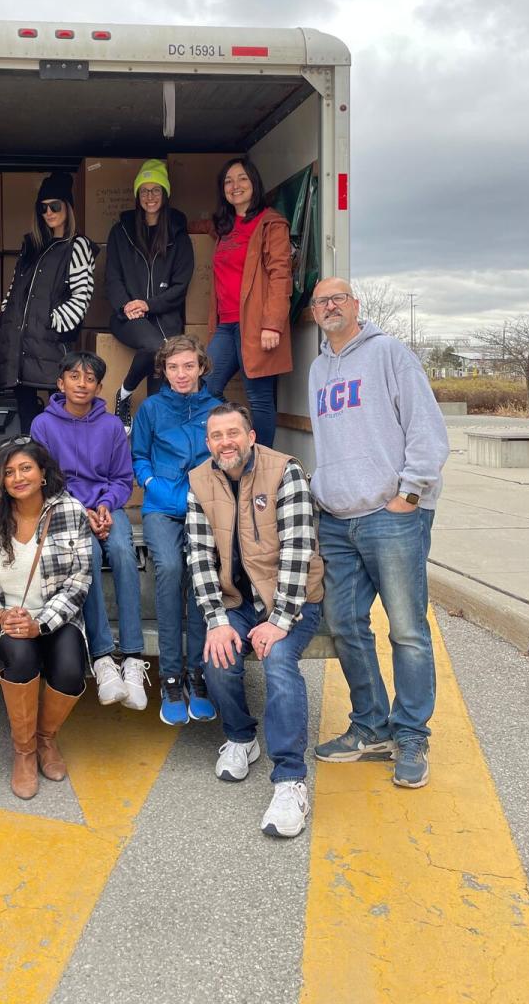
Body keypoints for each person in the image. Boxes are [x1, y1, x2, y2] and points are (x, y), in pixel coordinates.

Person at [308, 278, 449, 789]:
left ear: (354, 305)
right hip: (338, 517)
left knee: (407, 629)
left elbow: (426, 427)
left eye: (337, 299)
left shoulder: (389, 352)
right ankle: (371, 725)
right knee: (344, 622)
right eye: (321, 302)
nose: (329, 306)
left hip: (391, 515)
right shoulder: (319, 368)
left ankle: (411, 734)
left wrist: (409, 493)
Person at [185, 404, 324, 838]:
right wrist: (216, 619)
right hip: (238, 601)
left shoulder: (285, 472)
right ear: (208, 443)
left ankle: (289, 780)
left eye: (233, 433)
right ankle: (242, 737)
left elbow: (298, 553)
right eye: (216, 436)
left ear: (249, 436)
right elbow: (200, 557)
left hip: (292, 599)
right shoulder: (198, 480)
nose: (225, 442)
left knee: (278, 660)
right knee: (218, 655)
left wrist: (280, 620)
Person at [0, 439, 91, 800]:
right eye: (8, 471)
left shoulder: (71, 511)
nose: (17, 477)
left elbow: (80, 580)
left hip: (55, 616)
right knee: (23, 659)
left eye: (26, 468)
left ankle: (46, 739)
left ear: (43, 473)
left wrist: (41, 623)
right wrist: (0, 614)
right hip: (4, 617)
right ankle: (25, 751)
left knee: (69, 669)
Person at [31, 351, 149, 709]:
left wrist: (104, 505)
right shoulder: (43, 425)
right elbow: (44, 480)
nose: (82, 384)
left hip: (106, 509)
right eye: (74, 376)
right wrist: (79, 510)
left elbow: (122, 478)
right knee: (90, 557)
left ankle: (131, 657)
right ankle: (101, 659)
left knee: (125, 554)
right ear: (60, 382)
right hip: (65, 509)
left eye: (90, 379)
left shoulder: (111, 426)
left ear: (99, 386)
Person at [131, 334, 222, 726]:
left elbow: (227, 456)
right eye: (173, 367)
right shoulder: (151, 408)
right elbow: (138, 456)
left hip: (205, 508)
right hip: (161, 506)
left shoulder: (216, 409)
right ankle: (170, 677)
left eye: (188, 366)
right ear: (163, 371)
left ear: (201, 367)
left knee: (201, 578)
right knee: (169, 568)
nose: (181, 374)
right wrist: (153, 485)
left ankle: (197, 675)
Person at [192, 156, 293, 451]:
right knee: (205, 386)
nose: (235, 186)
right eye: (228, 181)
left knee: (259, 397)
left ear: (254, 183)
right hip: (225, 324)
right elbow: (196, 226)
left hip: (256, 325)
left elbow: (280, 275)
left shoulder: (270, 223)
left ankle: (261, 462)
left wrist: (272, 324)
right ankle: (236, 430)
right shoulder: (222, 226)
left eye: (242, 179)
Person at [0, 171, 97, 433]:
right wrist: (6, 315)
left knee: (60, 411)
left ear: (68, 208)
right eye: (43, 208)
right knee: (26, 413)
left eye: (55, 206)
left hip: (51, 343)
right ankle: (32, 463)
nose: (49, 213)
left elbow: (82, 294)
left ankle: (56, 466)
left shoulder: (77, 245)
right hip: (19, 343)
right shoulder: (31, 245)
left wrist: (54, 323)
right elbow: (13, 288)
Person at [104, 159, 194, 431]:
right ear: (137, 195)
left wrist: (149, 304)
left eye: (156, 190)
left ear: (165, 194)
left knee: (159, 392)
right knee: (159, 349)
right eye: (144, 190)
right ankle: (124, 394)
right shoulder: (121, 232)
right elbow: (112, 277)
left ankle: (150, 448)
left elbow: (181, 285)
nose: (150, 196)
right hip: (127, 317)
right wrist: (126, 306)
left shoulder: (178, 234)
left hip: (166, 319)